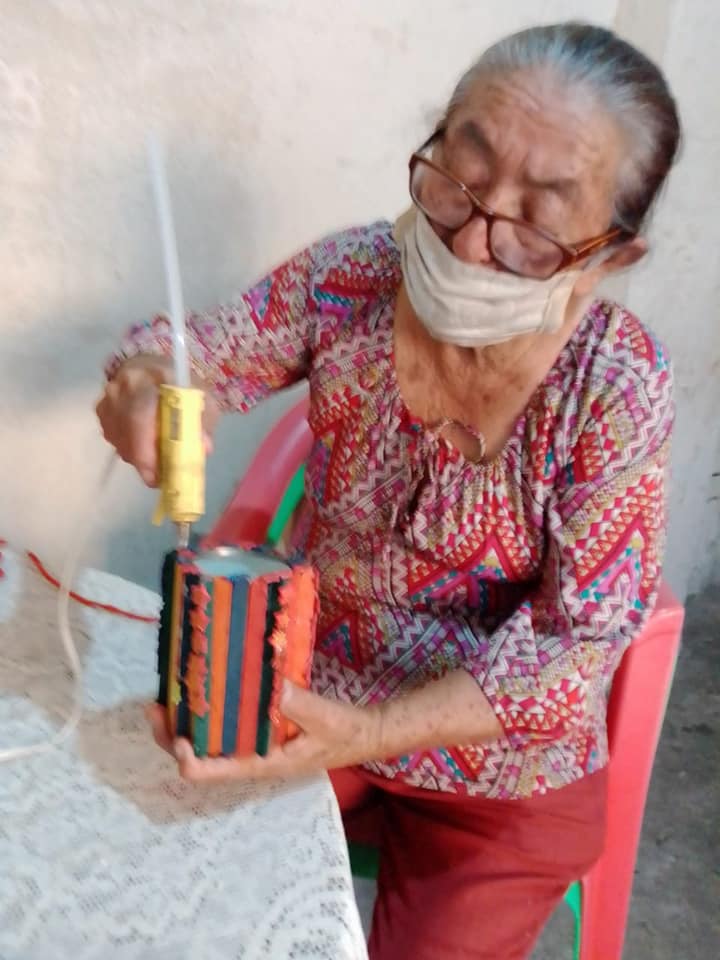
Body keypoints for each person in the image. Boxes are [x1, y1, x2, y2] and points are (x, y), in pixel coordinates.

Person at [96, 21, 681, 960]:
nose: (473, 243)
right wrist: (146, 381)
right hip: (310, 695)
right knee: (165, 879)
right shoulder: (356, 278)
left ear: (610, 255)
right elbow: (199, 352)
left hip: (503, 773)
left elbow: (577, 645)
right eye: (461, 178)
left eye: (536, 224)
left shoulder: (613, 385)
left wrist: (373, 731)